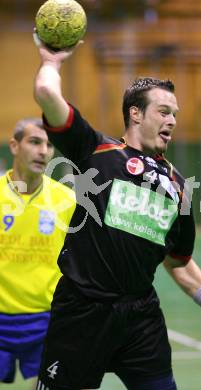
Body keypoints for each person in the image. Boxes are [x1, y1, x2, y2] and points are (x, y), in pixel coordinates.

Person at [33, 35, 201, 390]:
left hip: (139, 318)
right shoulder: (95, 150)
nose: (172, 121)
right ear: (135, 113)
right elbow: (47, 95)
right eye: (164, 111)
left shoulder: (176, 186)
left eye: (175, 114)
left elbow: (179, 262)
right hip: (82, 312)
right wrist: (52, 61)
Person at [0, 118, 76, 386]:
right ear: (14, 146)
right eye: (35, 142)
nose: (44, 151)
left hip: (47, 320)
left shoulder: (67, 201)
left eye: (49, 144)